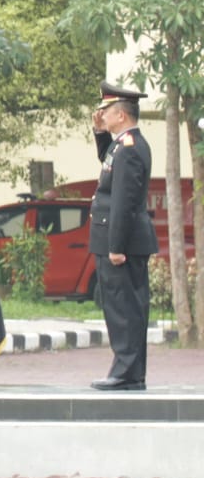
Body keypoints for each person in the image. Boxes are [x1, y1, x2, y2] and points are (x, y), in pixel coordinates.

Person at [89, 82, 157, 392]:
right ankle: (129, 371)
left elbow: (123, 203)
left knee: (124, 308)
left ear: (121, 115)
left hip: (122, 244)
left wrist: (115, 246)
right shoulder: (122, 144)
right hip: (120, 241)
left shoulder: (130, 149)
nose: (101, 115)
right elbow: (108, 163)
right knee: (121, 306)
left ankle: (127, 372)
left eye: (106, 112)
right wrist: (100, 134)